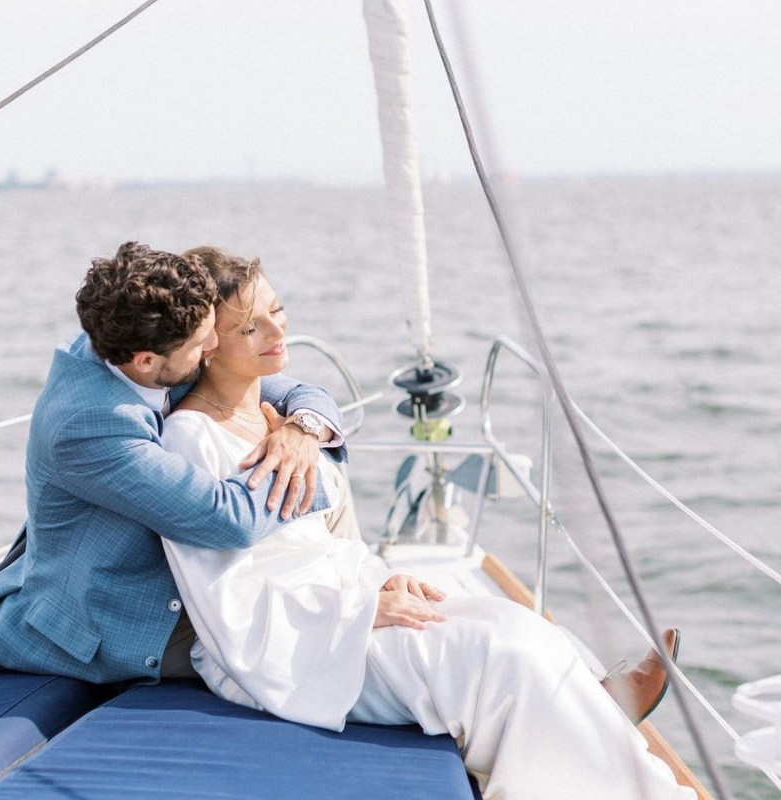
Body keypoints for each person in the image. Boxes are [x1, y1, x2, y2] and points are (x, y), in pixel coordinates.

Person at [160, 246, 695, 800]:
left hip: (345, 601)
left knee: (525, 630)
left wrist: (378, 582)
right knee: (503, 658)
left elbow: (322, 543)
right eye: (251, 325)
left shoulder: (283, 417)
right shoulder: (190, 439)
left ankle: (606, 743)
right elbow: (224, 597)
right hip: (292, 646)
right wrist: (360, 611)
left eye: (278, 308)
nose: (276, 329)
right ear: (207, 342)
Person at [0, 242, 345, 683]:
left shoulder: (143, 335)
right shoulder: (91, 426)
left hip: (183, 569)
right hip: (118, 620)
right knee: (334, 642)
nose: (213, 345)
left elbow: (301, 393)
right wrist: (313, 474)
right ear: (147, 362)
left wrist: (301, 432)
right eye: (201, 344)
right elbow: (226, 520)